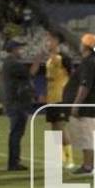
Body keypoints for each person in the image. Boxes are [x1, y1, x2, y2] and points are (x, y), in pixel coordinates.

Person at [65, 34, 95, 175]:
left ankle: (88, 166)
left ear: (85, 46)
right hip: (94, 105)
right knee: (90, 137)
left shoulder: (88, 62)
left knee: (86, 137)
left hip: (87, 106)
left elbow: (85, 85)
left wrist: (76, 104)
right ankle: (90, 164)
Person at [41, 30, 74, 169]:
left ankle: (70, 159)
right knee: (55, 130)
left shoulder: (64, 58)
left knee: (61, 128)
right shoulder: (48, 60)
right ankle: (60, 158)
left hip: (61, 98)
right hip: (51, 99)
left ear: (57, 42)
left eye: (50, 40)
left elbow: (72, 76)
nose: (47, 42)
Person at [0, 39, 32, 172]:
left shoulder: (8, 63)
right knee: (16, 133)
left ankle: (14, 161)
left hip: (14, 102)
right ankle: (13, 163)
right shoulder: (13, 64)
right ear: (13, 50)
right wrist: (38, 60)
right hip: (17, 103)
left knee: (16, 133)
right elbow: (31, 74)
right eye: (19, 48)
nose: (21, 51)